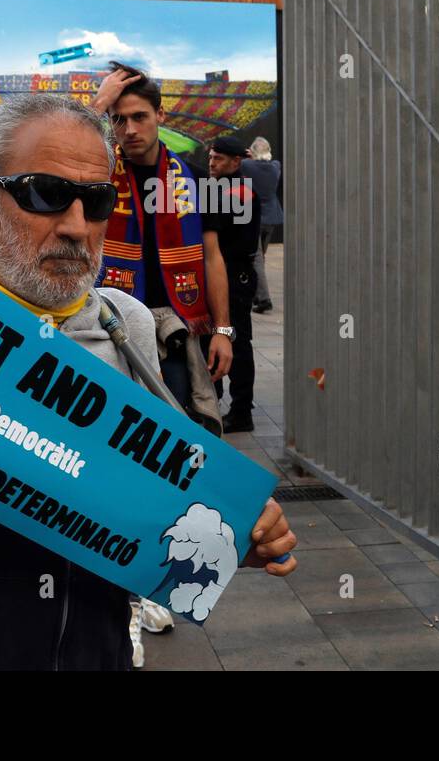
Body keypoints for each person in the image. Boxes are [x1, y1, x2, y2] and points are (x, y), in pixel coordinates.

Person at [0, 92, 297, 670]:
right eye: (46, 194)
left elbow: (156, 492)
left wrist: (230, 531)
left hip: (94, 646)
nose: (76, 227)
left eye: (96, 199)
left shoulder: (127, 323)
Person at [88, 62, 238, 656]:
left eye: (138, 117)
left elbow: (211, 254)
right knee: (114, 455)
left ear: (160, 117)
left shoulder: (192, 175)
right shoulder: (99, 169)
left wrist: (223, 329)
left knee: (169, 455)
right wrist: (96, 106)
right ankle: (121, 596)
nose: (127, 129)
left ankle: (149, 581)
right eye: (118, 119)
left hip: (175, 333)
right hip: (109, 328)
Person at [205, 136, 261, 434]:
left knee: (236, 343)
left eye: (219, 159)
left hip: (234, 276)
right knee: (220, 339)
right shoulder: (224, 189)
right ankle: (219, 399)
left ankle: (241, 411)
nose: (212, 163)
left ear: (236, 162)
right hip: (227, 273)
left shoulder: (236, 193)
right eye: (211, 158)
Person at [243, 137, 282, 313]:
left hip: (255, 216)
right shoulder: (275, 167)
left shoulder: (247, 165)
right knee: (261, 257)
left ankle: (264, 298)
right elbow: (273, 163)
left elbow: (244, 162)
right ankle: (257, 294)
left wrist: (248, 156)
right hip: (272, 218)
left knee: (256, 258)